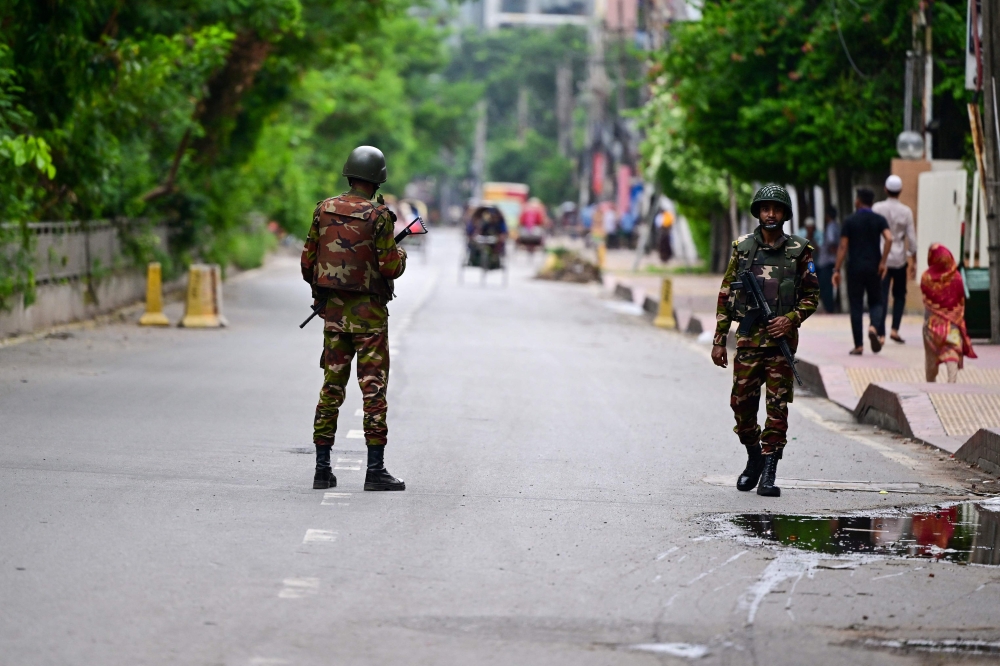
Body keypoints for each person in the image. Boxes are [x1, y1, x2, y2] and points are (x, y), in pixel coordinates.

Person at [301, 145, 407, 492]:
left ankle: (321, 469)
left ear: (349, 174)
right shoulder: (379, 217)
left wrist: (325, 296)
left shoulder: (324, 209)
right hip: (370, 319)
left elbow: (308, 263)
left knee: (331, 388)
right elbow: (391, 266)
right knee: (372, 389)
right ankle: (374, 471)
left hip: (333, 316)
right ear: (377, 180)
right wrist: (401, 253)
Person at [713, 185, 820, 497]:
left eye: (776, 208)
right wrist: (720, 339)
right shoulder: (743, 248)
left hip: (779, 345)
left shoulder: (801, 251)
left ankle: (770, 470)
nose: (770, 214)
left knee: (777, 407)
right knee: (741, 405)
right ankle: (754, 457)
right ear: (757, 212)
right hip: (747, 342)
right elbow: (725, 294)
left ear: (785, 214)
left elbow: (812, 296)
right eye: (765, 208)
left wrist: (791, 319)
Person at [832, 188, 892, 354]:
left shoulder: (850, 221)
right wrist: (883, 262)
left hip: (855, 269)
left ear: (858, 201)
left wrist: (836, 269)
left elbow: (843, 247)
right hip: (874, 267)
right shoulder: (879, 219)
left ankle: (859, 345)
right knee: (877, 301)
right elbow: (889, 238)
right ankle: (873, 327)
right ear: (871, 202)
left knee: (856, 305)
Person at [921, 244, 976, 382]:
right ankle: (952, 383)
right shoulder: (957, 277)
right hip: (952, 325)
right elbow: (960, 300)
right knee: (952, 351)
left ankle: (930, 382)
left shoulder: (926, 278)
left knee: (931, 357)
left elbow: (927, 299)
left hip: (932, 326)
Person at [872, 175, 917, 343]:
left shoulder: (877, 208)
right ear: (900, 191)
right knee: (900, 295)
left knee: (882, 295)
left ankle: (881, 333)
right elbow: (911, 238)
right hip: (899, 259)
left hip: (881, 258)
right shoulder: (906, 211)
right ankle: (895, 329)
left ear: (885, 189)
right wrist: (914, 258)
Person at [816, 205, 840, 313]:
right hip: (831, 261)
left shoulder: (830, 226)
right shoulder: (836, 226)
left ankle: (829, 308)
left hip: (828, 261)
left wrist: (834, 254)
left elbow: (831, 242)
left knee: (826, 286)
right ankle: (830, 307)